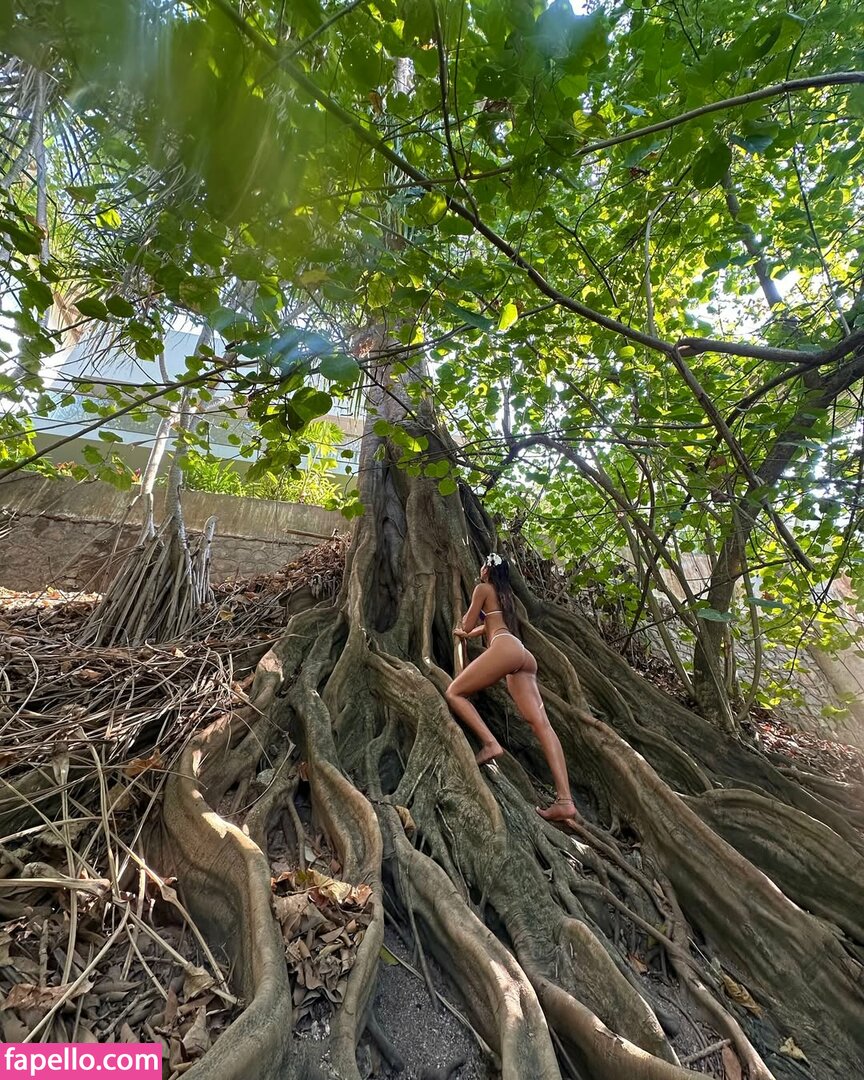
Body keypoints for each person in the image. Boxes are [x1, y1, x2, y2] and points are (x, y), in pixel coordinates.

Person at [446, 552, 577, 823]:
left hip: (504, 648)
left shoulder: (482, 588)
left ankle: (490, 743)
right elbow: (488, 626)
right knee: (542, 725)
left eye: (483, 565)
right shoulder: (505, 596)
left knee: (454, 693)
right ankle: (565, 800)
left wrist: (462, 629)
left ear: (487, 570)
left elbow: (468, 623)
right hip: (522, 655)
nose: (480, 569)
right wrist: (471, 633)